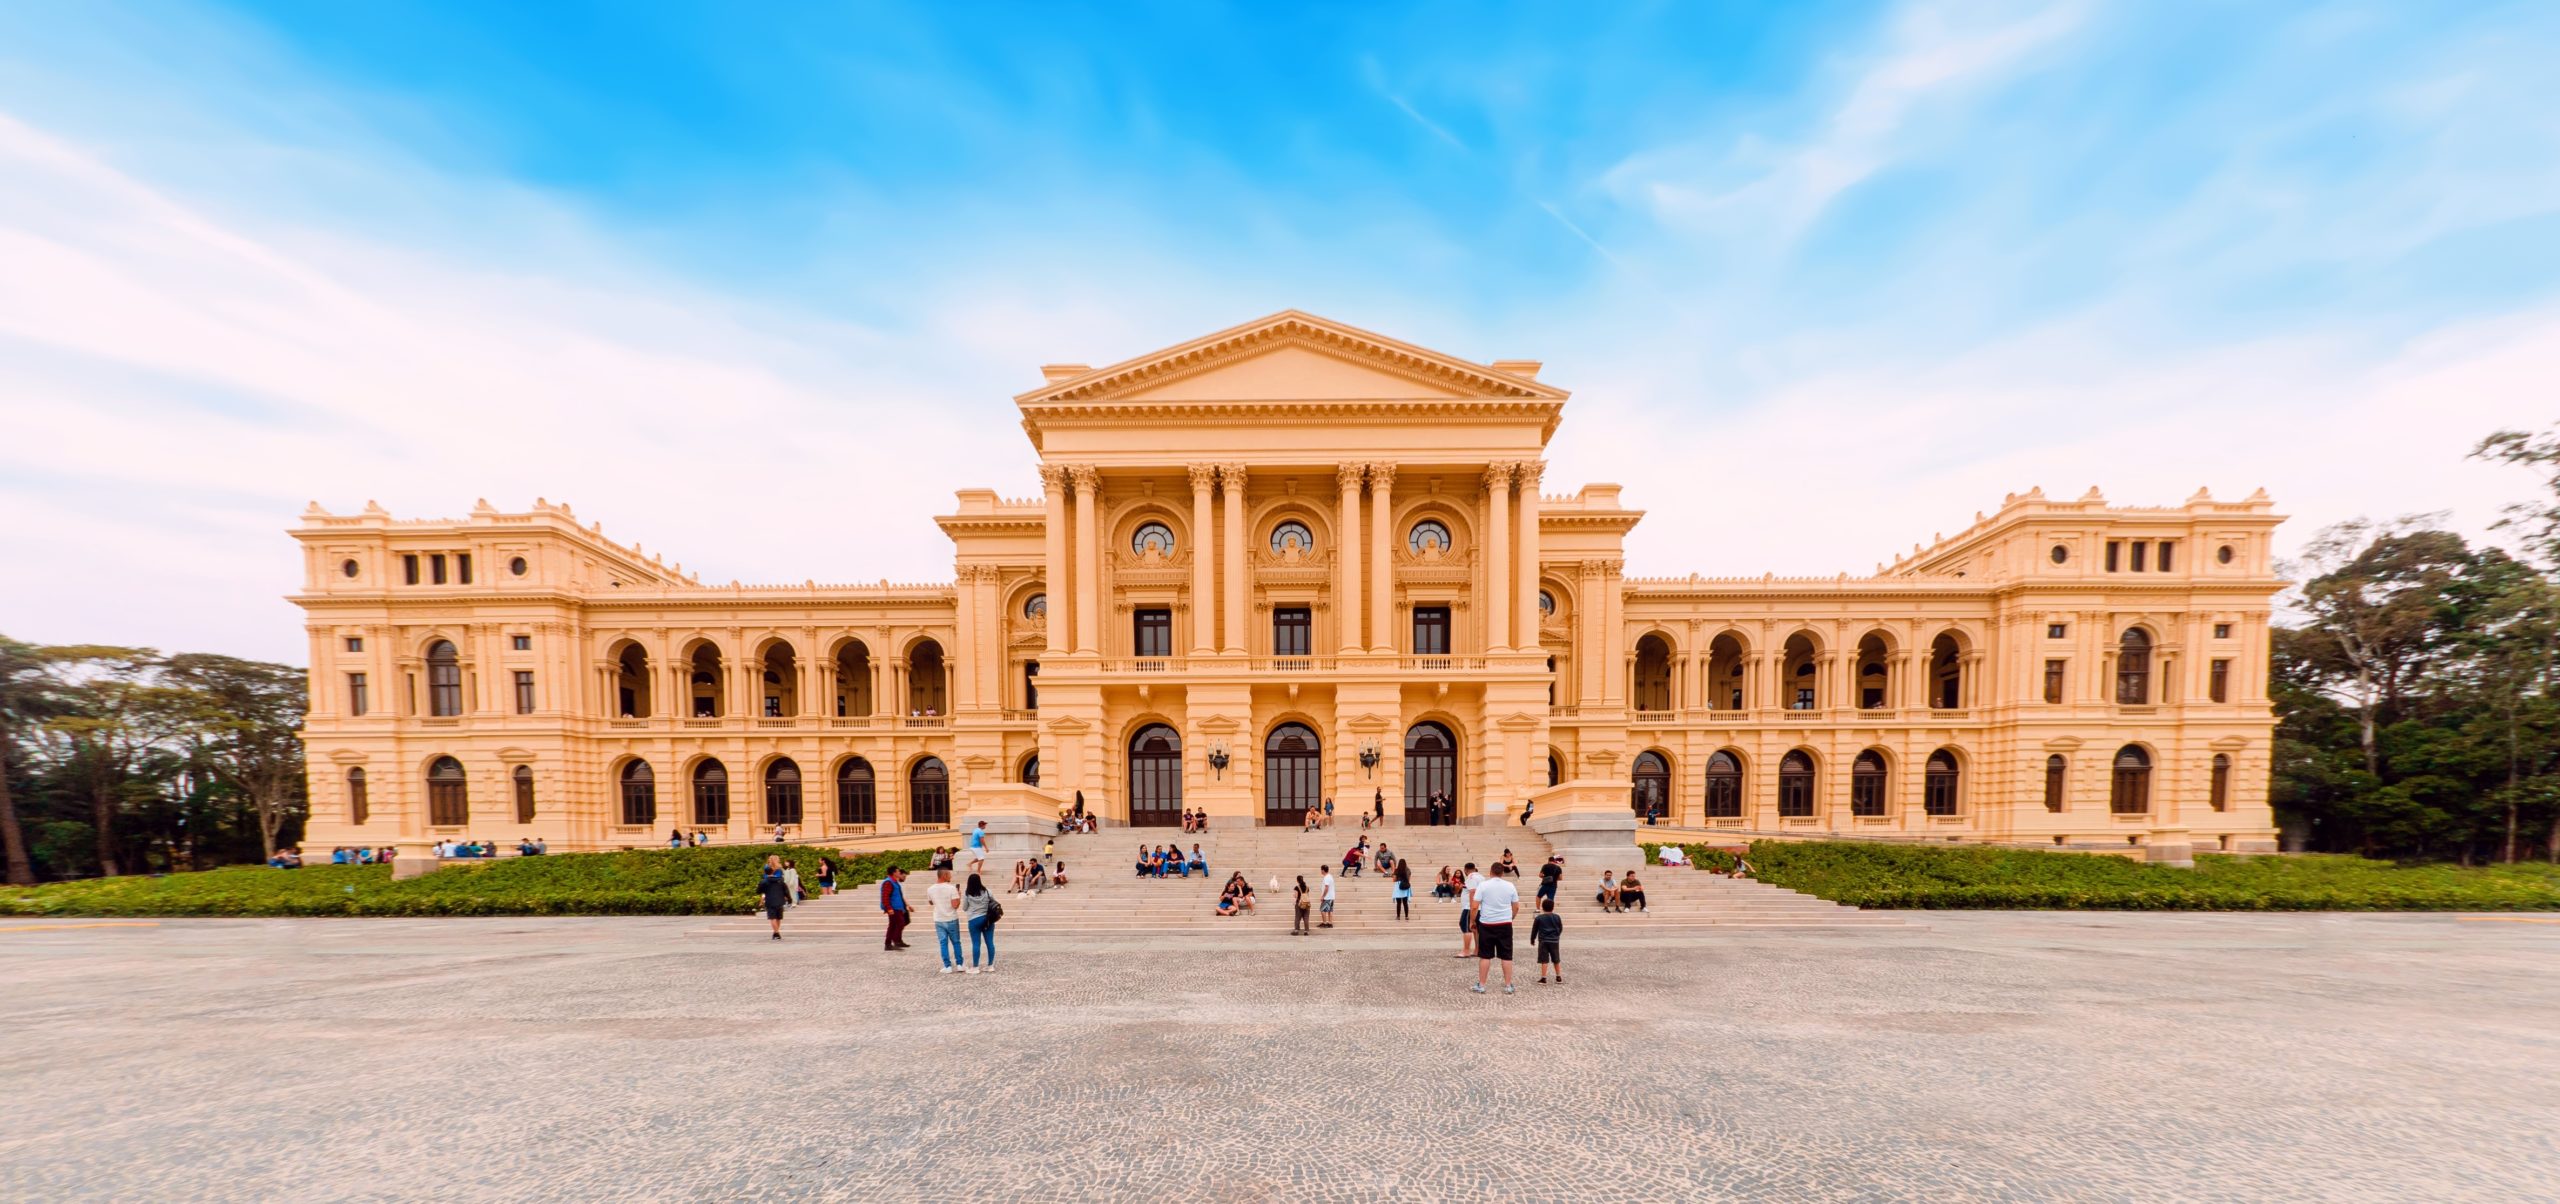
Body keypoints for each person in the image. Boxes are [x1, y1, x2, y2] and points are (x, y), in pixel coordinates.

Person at [1471, 863, 1522, 994]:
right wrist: (1511, 917)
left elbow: (1475, 906)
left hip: (1487, 923)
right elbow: (1516, 906)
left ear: (1490, 871)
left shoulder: (1483, 885)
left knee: (1485, 956)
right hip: (1504, 923)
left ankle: (1482, 985)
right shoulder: (1510, 886)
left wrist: (1472, 921)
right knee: (1506, 956)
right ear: (1502, 873)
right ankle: (1508, 985)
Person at [927, 869, 964, 973]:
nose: (950, 877)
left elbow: (930, 902)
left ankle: (947, 966)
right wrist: (959, 896)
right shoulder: (952, 889)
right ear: (944, 875)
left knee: (943, 943)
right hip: (951, 918)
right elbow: (955, 906)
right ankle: (960, 964)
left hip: (939, 919)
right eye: (949, 875)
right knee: (956, 942)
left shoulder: (930, 889)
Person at [963, 872, 996, 973]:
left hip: (974, 919)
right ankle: (990, 966)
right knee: (990, 942)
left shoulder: (967, 894)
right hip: (988, 919)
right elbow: (994, 902)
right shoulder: (987, 891)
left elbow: (964, 908)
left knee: (976, 943)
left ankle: (976, 967)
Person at [1531, 895, 1564, 984]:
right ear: (1553, 908)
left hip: (1543, 941)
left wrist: (1532, 939)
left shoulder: (1539, 918)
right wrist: (1557, 935)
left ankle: (1544, 978)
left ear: (1542, 907)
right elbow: (1560, 927)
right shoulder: (1557, 917)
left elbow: (1534, 930)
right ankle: (1558, 977)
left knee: (1544, 960)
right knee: (1556, 959)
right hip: (1554, 941)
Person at [759, 856, 792, 940]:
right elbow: (783, 882)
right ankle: (776, 932)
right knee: (778, 916)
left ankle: (776, 932)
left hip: (769, 891)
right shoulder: (779, 870)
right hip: (779, 893)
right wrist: (788, 897)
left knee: (773, 916)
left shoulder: (767, 868)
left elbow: (762, 884)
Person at [880, 866, 912, 950]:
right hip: (893, 908)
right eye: (898, 871)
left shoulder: (894, 882)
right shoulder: (888, 882)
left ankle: (894, 942)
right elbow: (885, 897)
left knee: (895, 925)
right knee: (898, 924)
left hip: (898, 907)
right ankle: (891, 943)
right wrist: (889, 908)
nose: (899, 873)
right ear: (894, 873)